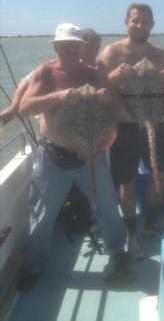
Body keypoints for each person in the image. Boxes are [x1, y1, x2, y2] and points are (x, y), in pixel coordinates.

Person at [17, 23, 135, 291]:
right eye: (65, 45)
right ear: (56, 47)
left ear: (82, 47)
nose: (71, 49)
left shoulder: (91, 73)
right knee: (43, 214)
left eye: (75, 44)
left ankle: (118, 253)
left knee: (107, 205)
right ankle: (33, 264)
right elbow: (24, 107)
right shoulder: (45, 72)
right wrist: (58, 96)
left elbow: (111, 103)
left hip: (90, 155)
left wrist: (106, 96)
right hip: (54, 157)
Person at [98, 3, 164, 258]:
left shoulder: (159, 53)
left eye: (145, 21)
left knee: (159, 171)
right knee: (126, 180)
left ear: (152, 24)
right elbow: (99, 89)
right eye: (135, 21)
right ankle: (131, 232)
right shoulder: (111, 52)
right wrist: (113, 76)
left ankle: (151, 219)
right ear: (126, 22)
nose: (140, 26)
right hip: (126, 126)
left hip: (154, 121)